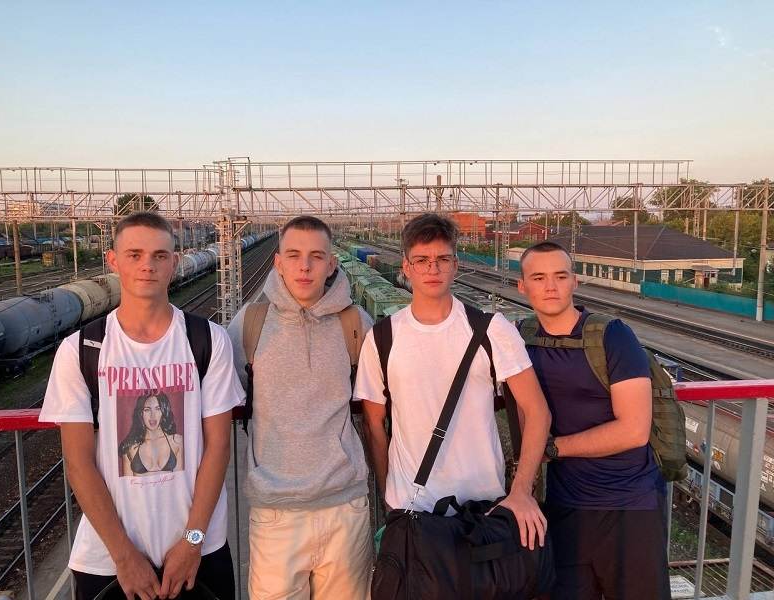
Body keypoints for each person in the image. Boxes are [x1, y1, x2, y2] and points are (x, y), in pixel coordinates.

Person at [40, 211, 243, 600]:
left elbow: (218, 447)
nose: (147, 265)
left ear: (174, 262)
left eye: (159, 256)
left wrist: (193, 540)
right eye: (134, 255)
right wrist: (124, 556)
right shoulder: (80, 350)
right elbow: (78, 463)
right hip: (108, 560)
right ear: (113, 261)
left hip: (199, 552)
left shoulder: (207, 340)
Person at [355, 212, 551, 549]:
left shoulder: (492, 330)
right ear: (406, 267)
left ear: (455, 265)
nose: (432, 269)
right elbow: (374, 425)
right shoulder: (382, 338)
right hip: (413, 512)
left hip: (483, 511)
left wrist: (521, 491)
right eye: (422, 260)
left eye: (442, 259)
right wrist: (390, 497)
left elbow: (537, 411)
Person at [228, 215, 373, 600]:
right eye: (293, 255)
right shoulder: (249, 324)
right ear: (278, 262)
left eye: (316, 256)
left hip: (344, 507)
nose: (304, 266)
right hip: (275, 513)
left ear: (332, 263)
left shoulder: (356, 325)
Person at [516, 240, 670, 600]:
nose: (550, 287)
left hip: (629, 506)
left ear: (575, 282)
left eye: (560, 276)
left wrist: (552, 448)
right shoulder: (521, 339)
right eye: (538, 278)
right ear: (522, 286)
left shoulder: (613, 336)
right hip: (565, 507)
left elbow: (634, 430)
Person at [119, 392, 184, 477]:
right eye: (147, 410)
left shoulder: (177, 441)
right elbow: (127, 484)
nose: (152, 415)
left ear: (164, 411)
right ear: (141, 413)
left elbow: (180, 481)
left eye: (158, 409)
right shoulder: (129, 447)